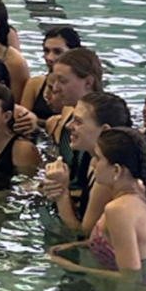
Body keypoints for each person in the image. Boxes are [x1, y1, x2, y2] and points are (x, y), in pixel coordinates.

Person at [49, 129, 146, 287]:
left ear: (116, 170)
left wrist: (69, 266)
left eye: (98, 158)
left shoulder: (118, 210)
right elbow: (129, 246)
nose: (92, 163)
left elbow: (130, 277)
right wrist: (75, 246)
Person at [41, 92, 133, 233]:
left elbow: (83, 234)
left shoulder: (109, 174)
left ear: (104, 130)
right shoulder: (93, 159)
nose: (68, 126)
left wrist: (61, 193)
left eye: (78, 122)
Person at [42, 48, 105, 197]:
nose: (56, 88)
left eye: (63, 81)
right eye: (55, 80)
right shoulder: (68, 114)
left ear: (88, 82)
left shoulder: (102, 125)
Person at [21, 26, 84, 122]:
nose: (49, 57)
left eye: (57, 52)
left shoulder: (80, 88)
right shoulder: (35, 84)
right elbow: (21, 119)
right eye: (46, 51)